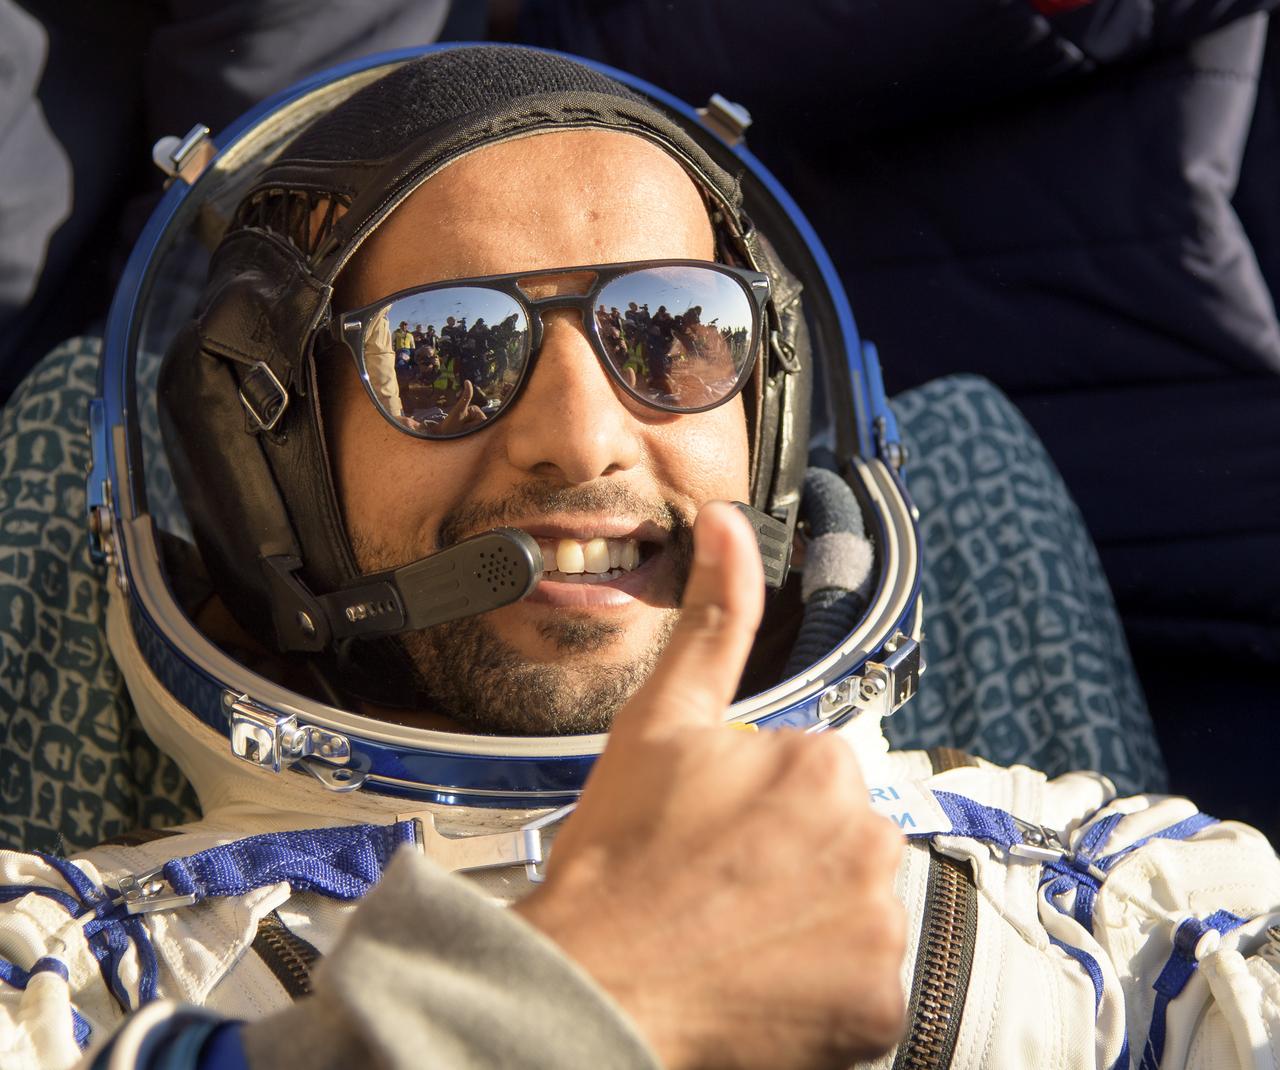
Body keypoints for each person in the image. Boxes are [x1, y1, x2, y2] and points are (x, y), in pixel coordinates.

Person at [3, 44, 1279, 1070]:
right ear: (261, 469)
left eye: (672, 332)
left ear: (767, 428)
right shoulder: (58, 972)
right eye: (445, 352)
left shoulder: (1125, 910)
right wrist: (542, 1012)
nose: (581, 437)